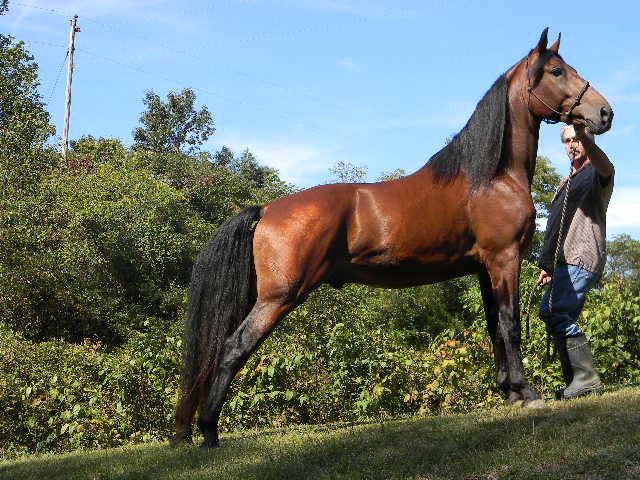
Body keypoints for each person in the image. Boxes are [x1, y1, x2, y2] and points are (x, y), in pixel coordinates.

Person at [538, 123, 614, 400]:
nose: (573, 144)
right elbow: (556, 227)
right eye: (568, 140)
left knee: (557, 312)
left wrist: (587, 139)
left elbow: (605, 165)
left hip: (582, 255)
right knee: (549, 311)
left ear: (588, 140)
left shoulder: (597, 173)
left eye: (578, 139)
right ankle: (576, 381)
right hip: (562, 262)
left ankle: (586, 379)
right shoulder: (565, 182)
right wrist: (547, 266)